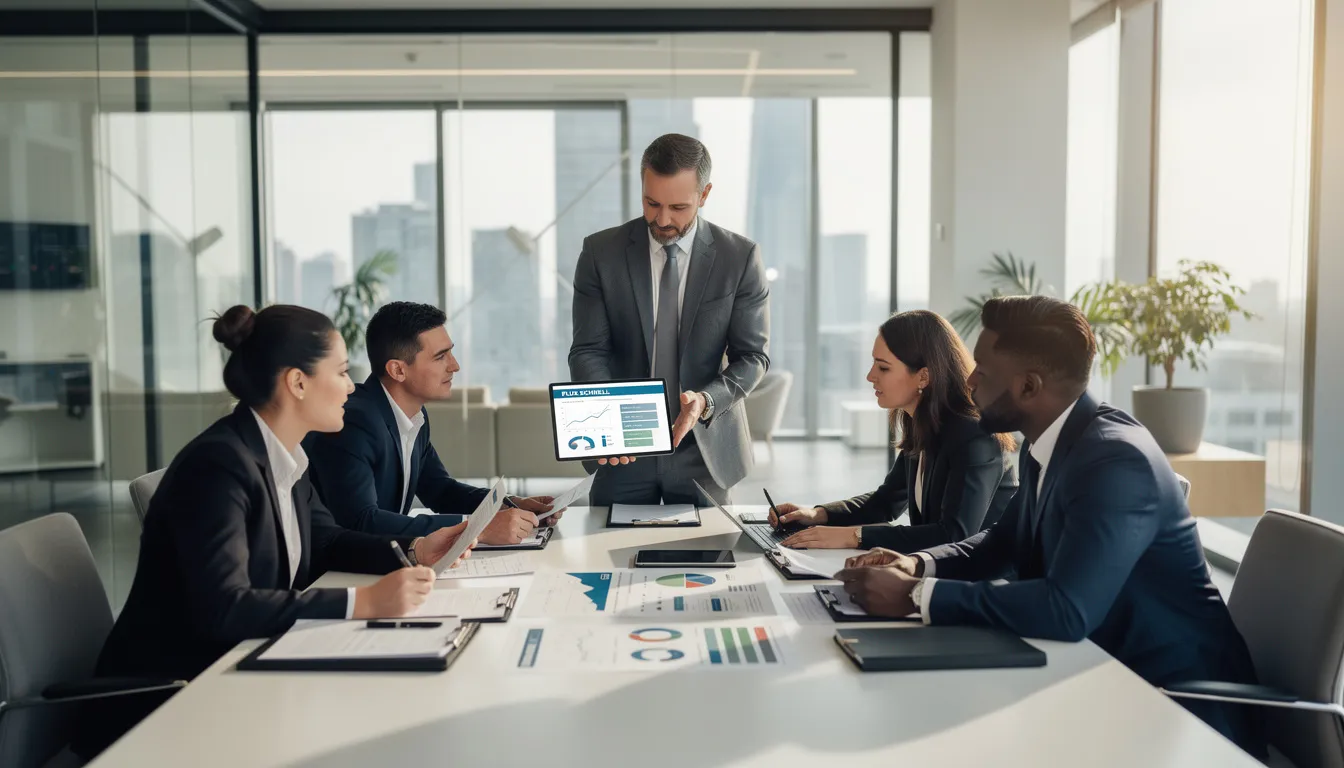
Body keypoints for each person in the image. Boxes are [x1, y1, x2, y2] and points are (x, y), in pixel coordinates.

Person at [835, 295, 1266, 759]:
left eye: (983, 368)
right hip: (1096, 676)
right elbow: (998, 546)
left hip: (1178, 710)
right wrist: (916, 565)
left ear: (1028, 386)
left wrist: (916, 597)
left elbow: (1067, 608)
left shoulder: (1115, 460)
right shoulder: (1048, 444)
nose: (970, 379)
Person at [74, 305, 473, 759]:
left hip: (243, 674)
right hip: (172, 704)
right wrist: (363, 602)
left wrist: (416, 548)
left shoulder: (284, 456)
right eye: (341, 372)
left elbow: (329, 541)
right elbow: (224, 607)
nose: (350, 386)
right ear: (297, 382)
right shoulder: (218, 466)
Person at [569, 133, 769, 505]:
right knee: (609, 555)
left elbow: (753, 357)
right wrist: (609, 423)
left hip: (704, 444)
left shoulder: (738, 257)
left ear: (704, 195)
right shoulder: (600, 253)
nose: (662, 219)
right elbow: (588, 350)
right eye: (651, 203)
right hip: (624, 448)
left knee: (706, 559)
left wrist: (706, 400)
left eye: (678, 207)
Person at [305, 302, 556, 545]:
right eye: (440, 357)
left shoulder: (414, 416)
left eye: (451, 352)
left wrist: (509, 505)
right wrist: (477, 528)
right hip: (334, 576)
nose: (454, 366)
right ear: (398, 370)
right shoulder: (354, 422)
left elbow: (441, 491)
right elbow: (361, 521)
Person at [769, 310, 1018, 551]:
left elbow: (954, 534)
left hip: (980, 586)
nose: (870, 376)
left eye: (883, 367)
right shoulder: (922, 421)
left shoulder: (974, 435)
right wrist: (817, 514)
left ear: (923, 377)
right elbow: (887, 502)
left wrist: (852, 537)